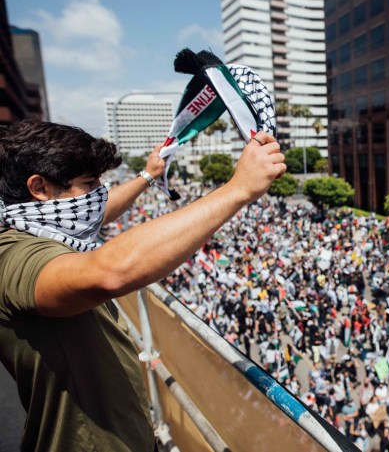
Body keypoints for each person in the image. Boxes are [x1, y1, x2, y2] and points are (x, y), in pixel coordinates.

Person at [0, 121, 285, 451]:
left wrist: (148, 176)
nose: (99, 194)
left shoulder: (39, 227)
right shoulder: (13, 254)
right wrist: (237, 190)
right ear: (40, 187)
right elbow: (109, 273)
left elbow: (98, 213)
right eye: (89, 184)